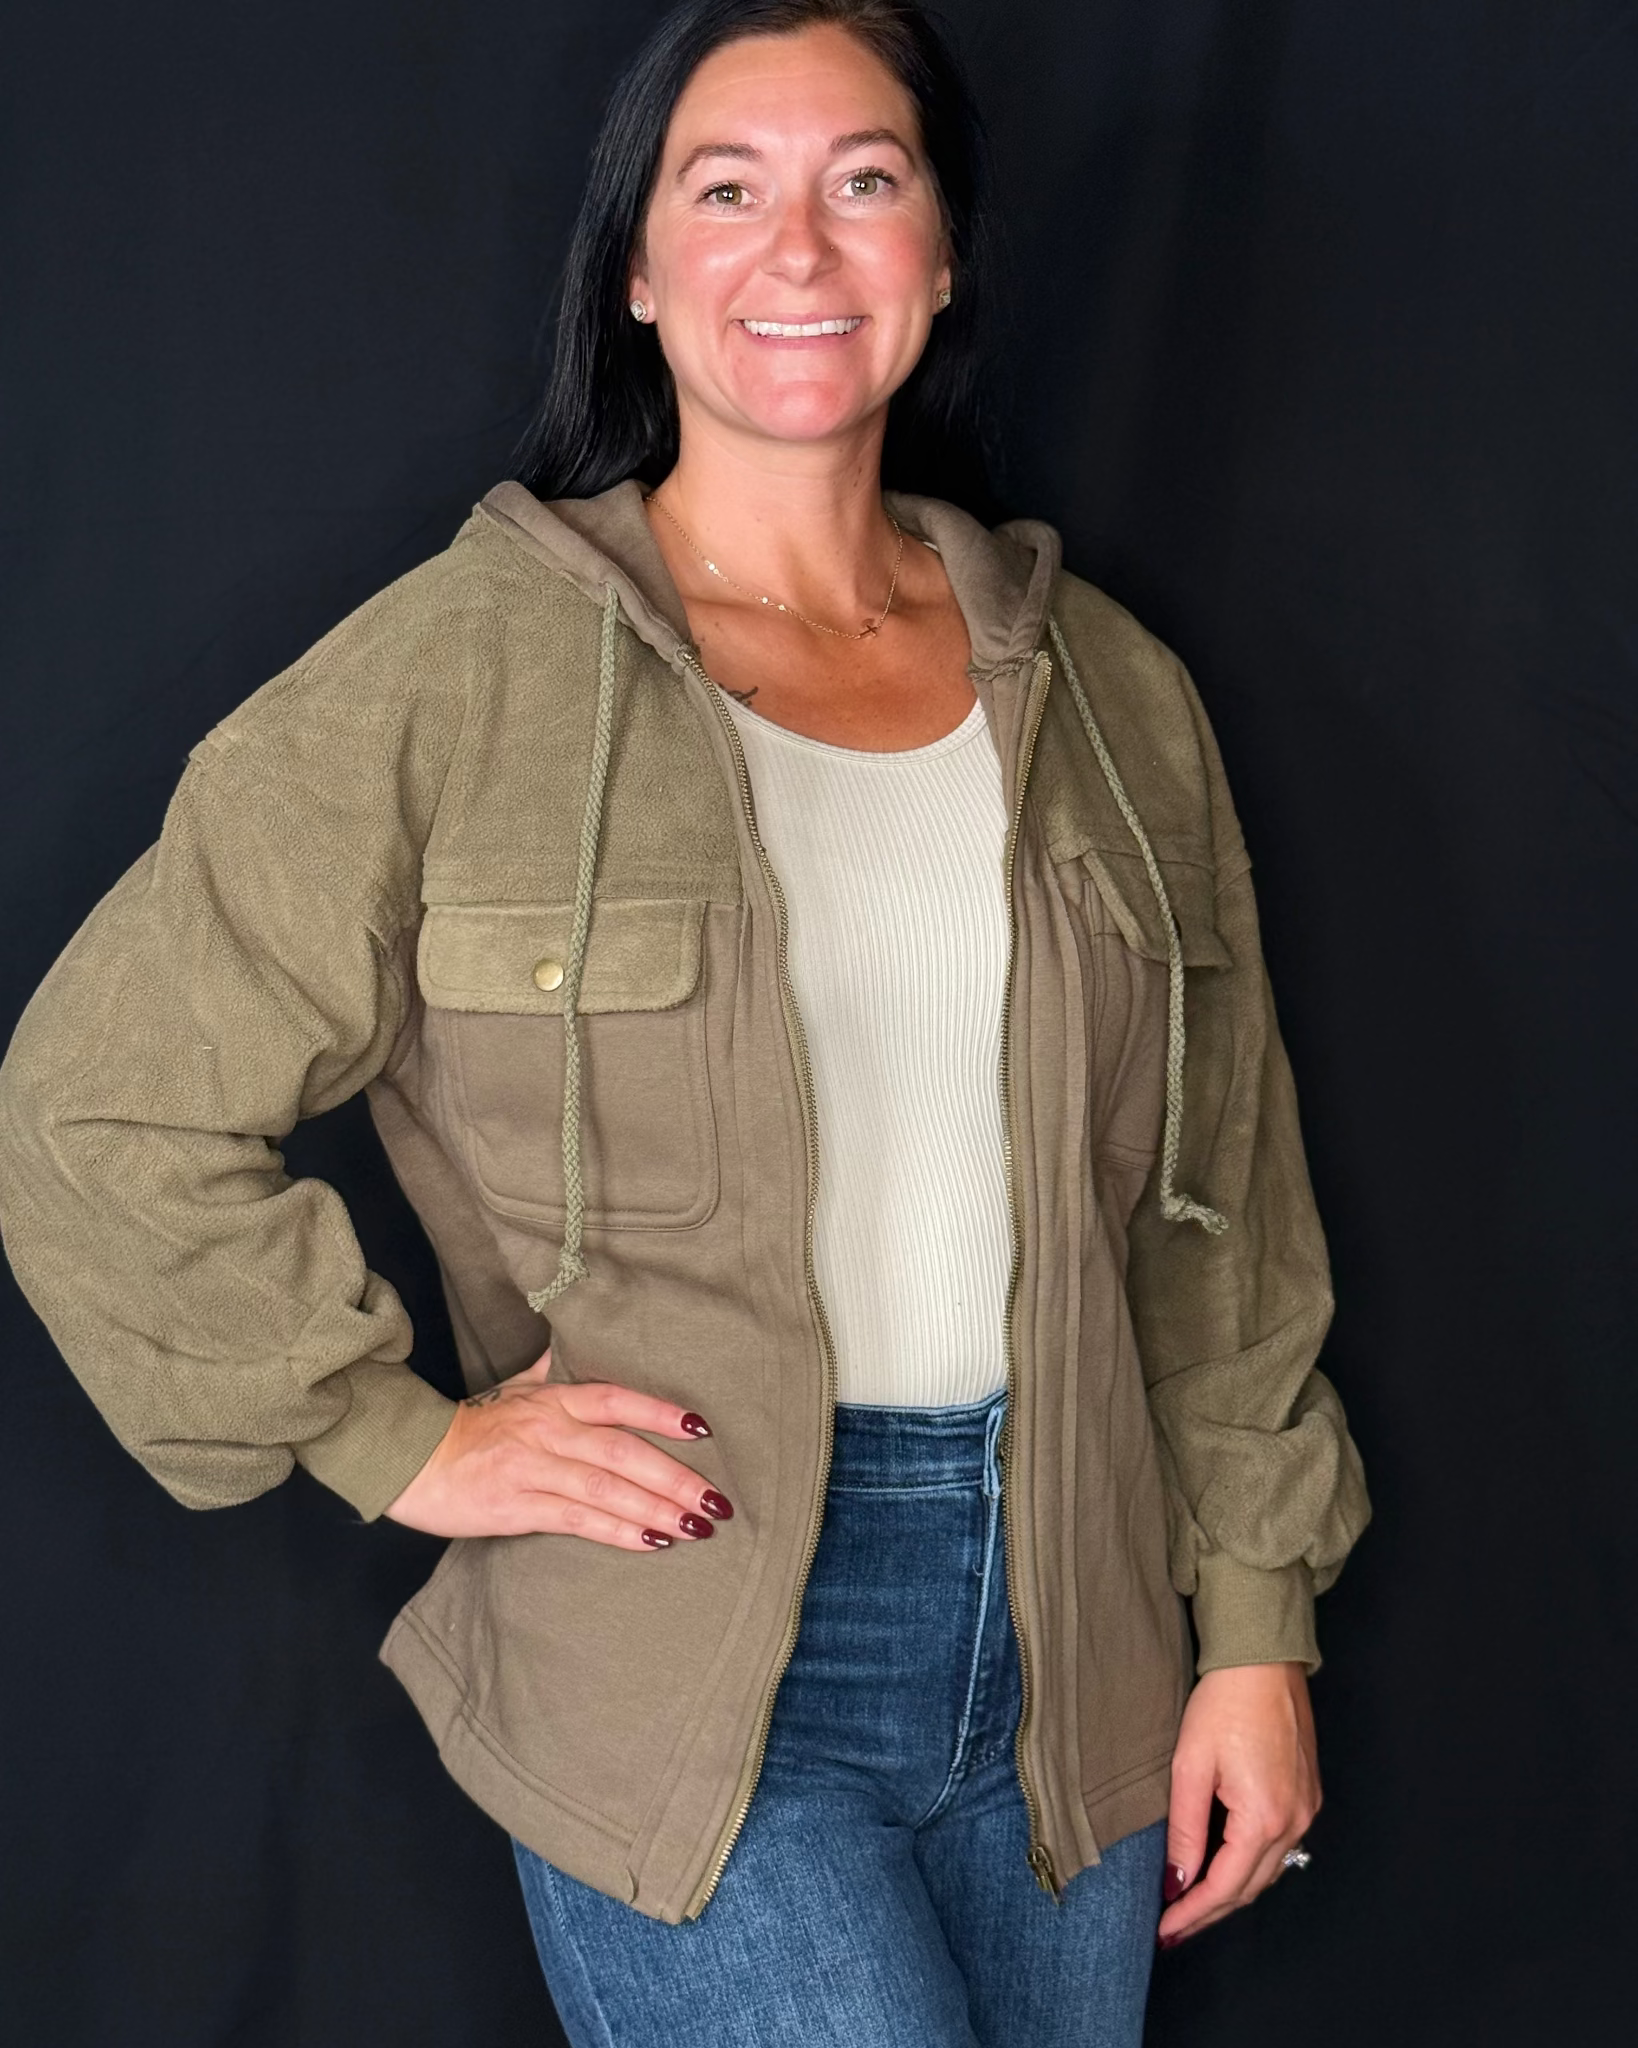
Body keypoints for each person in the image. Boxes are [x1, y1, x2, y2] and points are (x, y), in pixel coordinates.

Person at [0, 1, 1371, 2041]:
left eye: (865, 183)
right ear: (637, 272)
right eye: (725, 189)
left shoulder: (1109, 693)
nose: (796, 249)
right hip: (694, 1668)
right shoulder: (462, 672)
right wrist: (400, 1437)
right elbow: (97, 1109)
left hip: (1081, 1653)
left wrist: (1254, 1628)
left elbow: (1220, 1215)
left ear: (942, 257)